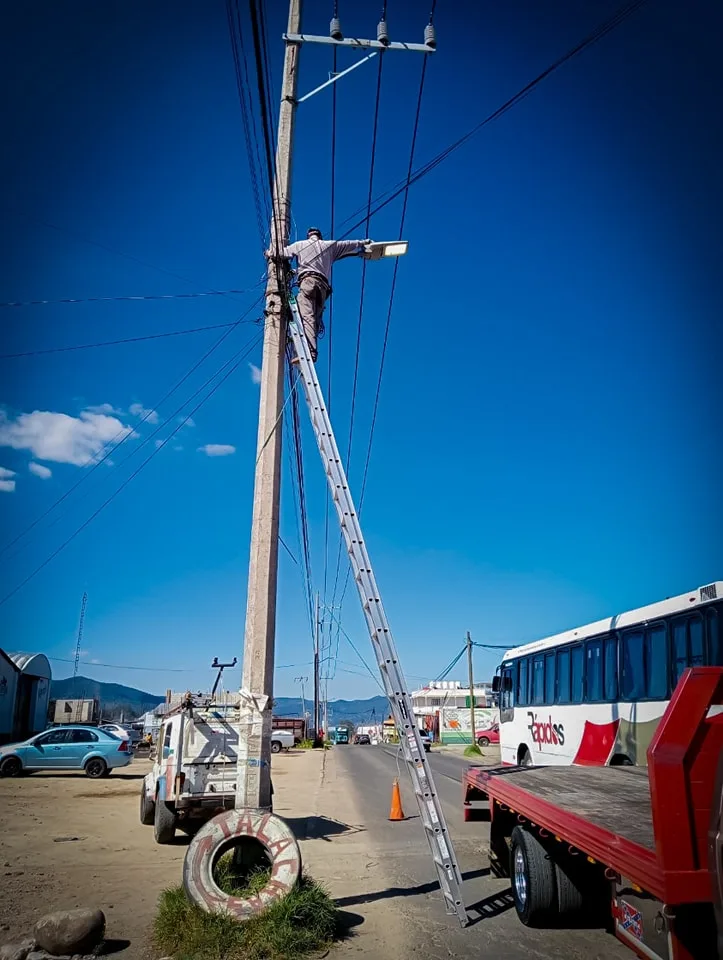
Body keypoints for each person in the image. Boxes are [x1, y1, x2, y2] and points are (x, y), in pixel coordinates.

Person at [276, 228, 370, 362]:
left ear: (309, 235)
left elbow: (281, 253)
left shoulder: (300, 245)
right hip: (323, 288)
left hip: (308, 282)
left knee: (306, 317)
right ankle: (311, 350)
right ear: (320, 236)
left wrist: (269, 253)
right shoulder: (329, 246)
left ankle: (309, 353)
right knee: (314, 321)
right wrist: (362, 243)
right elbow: (349, 244)